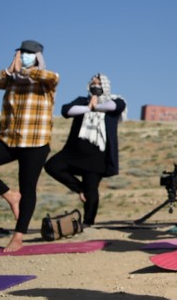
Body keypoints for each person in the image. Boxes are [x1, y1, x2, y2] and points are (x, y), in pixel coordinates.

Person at [0, 40, 60, 251]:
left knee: (28, 188)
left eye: (29, 54)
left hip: (35, 143)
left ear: (38, 57)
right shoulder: (10, 79)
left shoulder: (45, 81)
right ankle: (9, 195)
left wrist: (27, 71)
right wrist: (7, 71)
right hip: (8, 140)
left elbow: (52, 77)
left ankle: (18, 236)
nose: (24, 56)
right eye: (22, 53)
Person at [44, 73, 126, 226]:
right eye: (93, 83)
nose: (95, 86)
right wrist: (88, 107)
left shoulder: (116, 101)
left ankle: (88, 223)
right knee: (52, 166)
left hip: (97, 156)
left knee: (91, 190)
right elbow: (66, 111)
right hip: (73, 152)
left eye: (99, 84)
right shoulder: (82, 102)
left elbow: (115, 107)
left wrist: (95, 106)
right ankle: (79, 188)